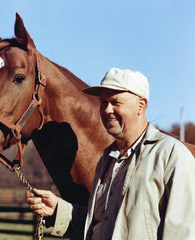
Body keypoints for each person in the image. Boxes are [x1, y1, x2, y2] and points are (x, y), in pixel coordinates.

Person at [26, 67, 195, 240]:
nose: (107, 110)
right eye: (104, 102)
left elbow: (181, 234)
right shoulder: (107, 160)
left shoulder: (171, 155)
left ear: (141, 106)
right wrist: (58, 210)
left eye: (116, 102)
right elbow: (102, 225)